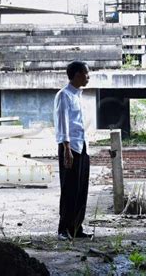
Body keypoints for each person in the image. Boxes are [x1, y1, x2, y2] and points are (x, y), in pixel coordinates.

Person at [54, 61, 93, 240]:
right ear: (77, 75)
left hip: (83, 146)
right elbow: (62, 123)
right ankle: (63, 229)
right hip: (70, 147)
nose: (88, 77)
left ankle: (76, 228)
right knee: (69, 189)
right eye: (86, 73)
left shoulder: (78, 95)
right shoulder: (64, 95)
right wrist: (66, 148)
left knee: (81, 189)